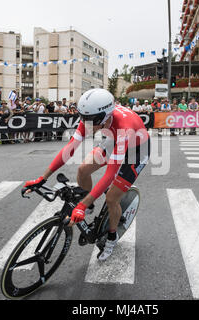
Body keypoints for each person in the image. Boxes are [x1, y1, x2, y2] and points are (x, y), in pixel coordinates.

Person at [24, 89, 150, 261]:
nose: (86, 124)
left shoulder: (123, 127)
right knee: (83, 170)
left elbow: (109, 175)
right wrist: (42, 178)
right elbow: (68, 150)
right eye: (83, 118)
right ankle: (89, 207)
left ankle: (111, 237)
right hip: (112, 141)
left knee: (112, 198)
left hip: (136, 151)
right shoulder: (91, 117)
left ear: (105, 116)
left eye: (90, 120)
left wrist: (81, 205)